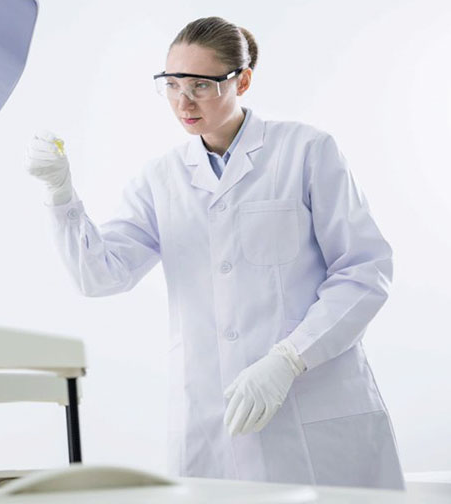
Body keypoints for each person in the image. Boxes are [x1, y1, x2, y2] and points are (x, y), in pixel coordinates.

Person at [25, 16, 404, 489]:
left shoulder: (306, 151)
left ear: (242, 81)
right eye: (172, 84)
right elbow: (100, 276)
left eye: (200, 85)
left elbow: (365, 271)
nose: (183, 102)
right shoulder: (161, 179)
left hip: (313, 401)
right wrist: (60, 195)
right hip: (210, 417)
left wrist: (290, 358)